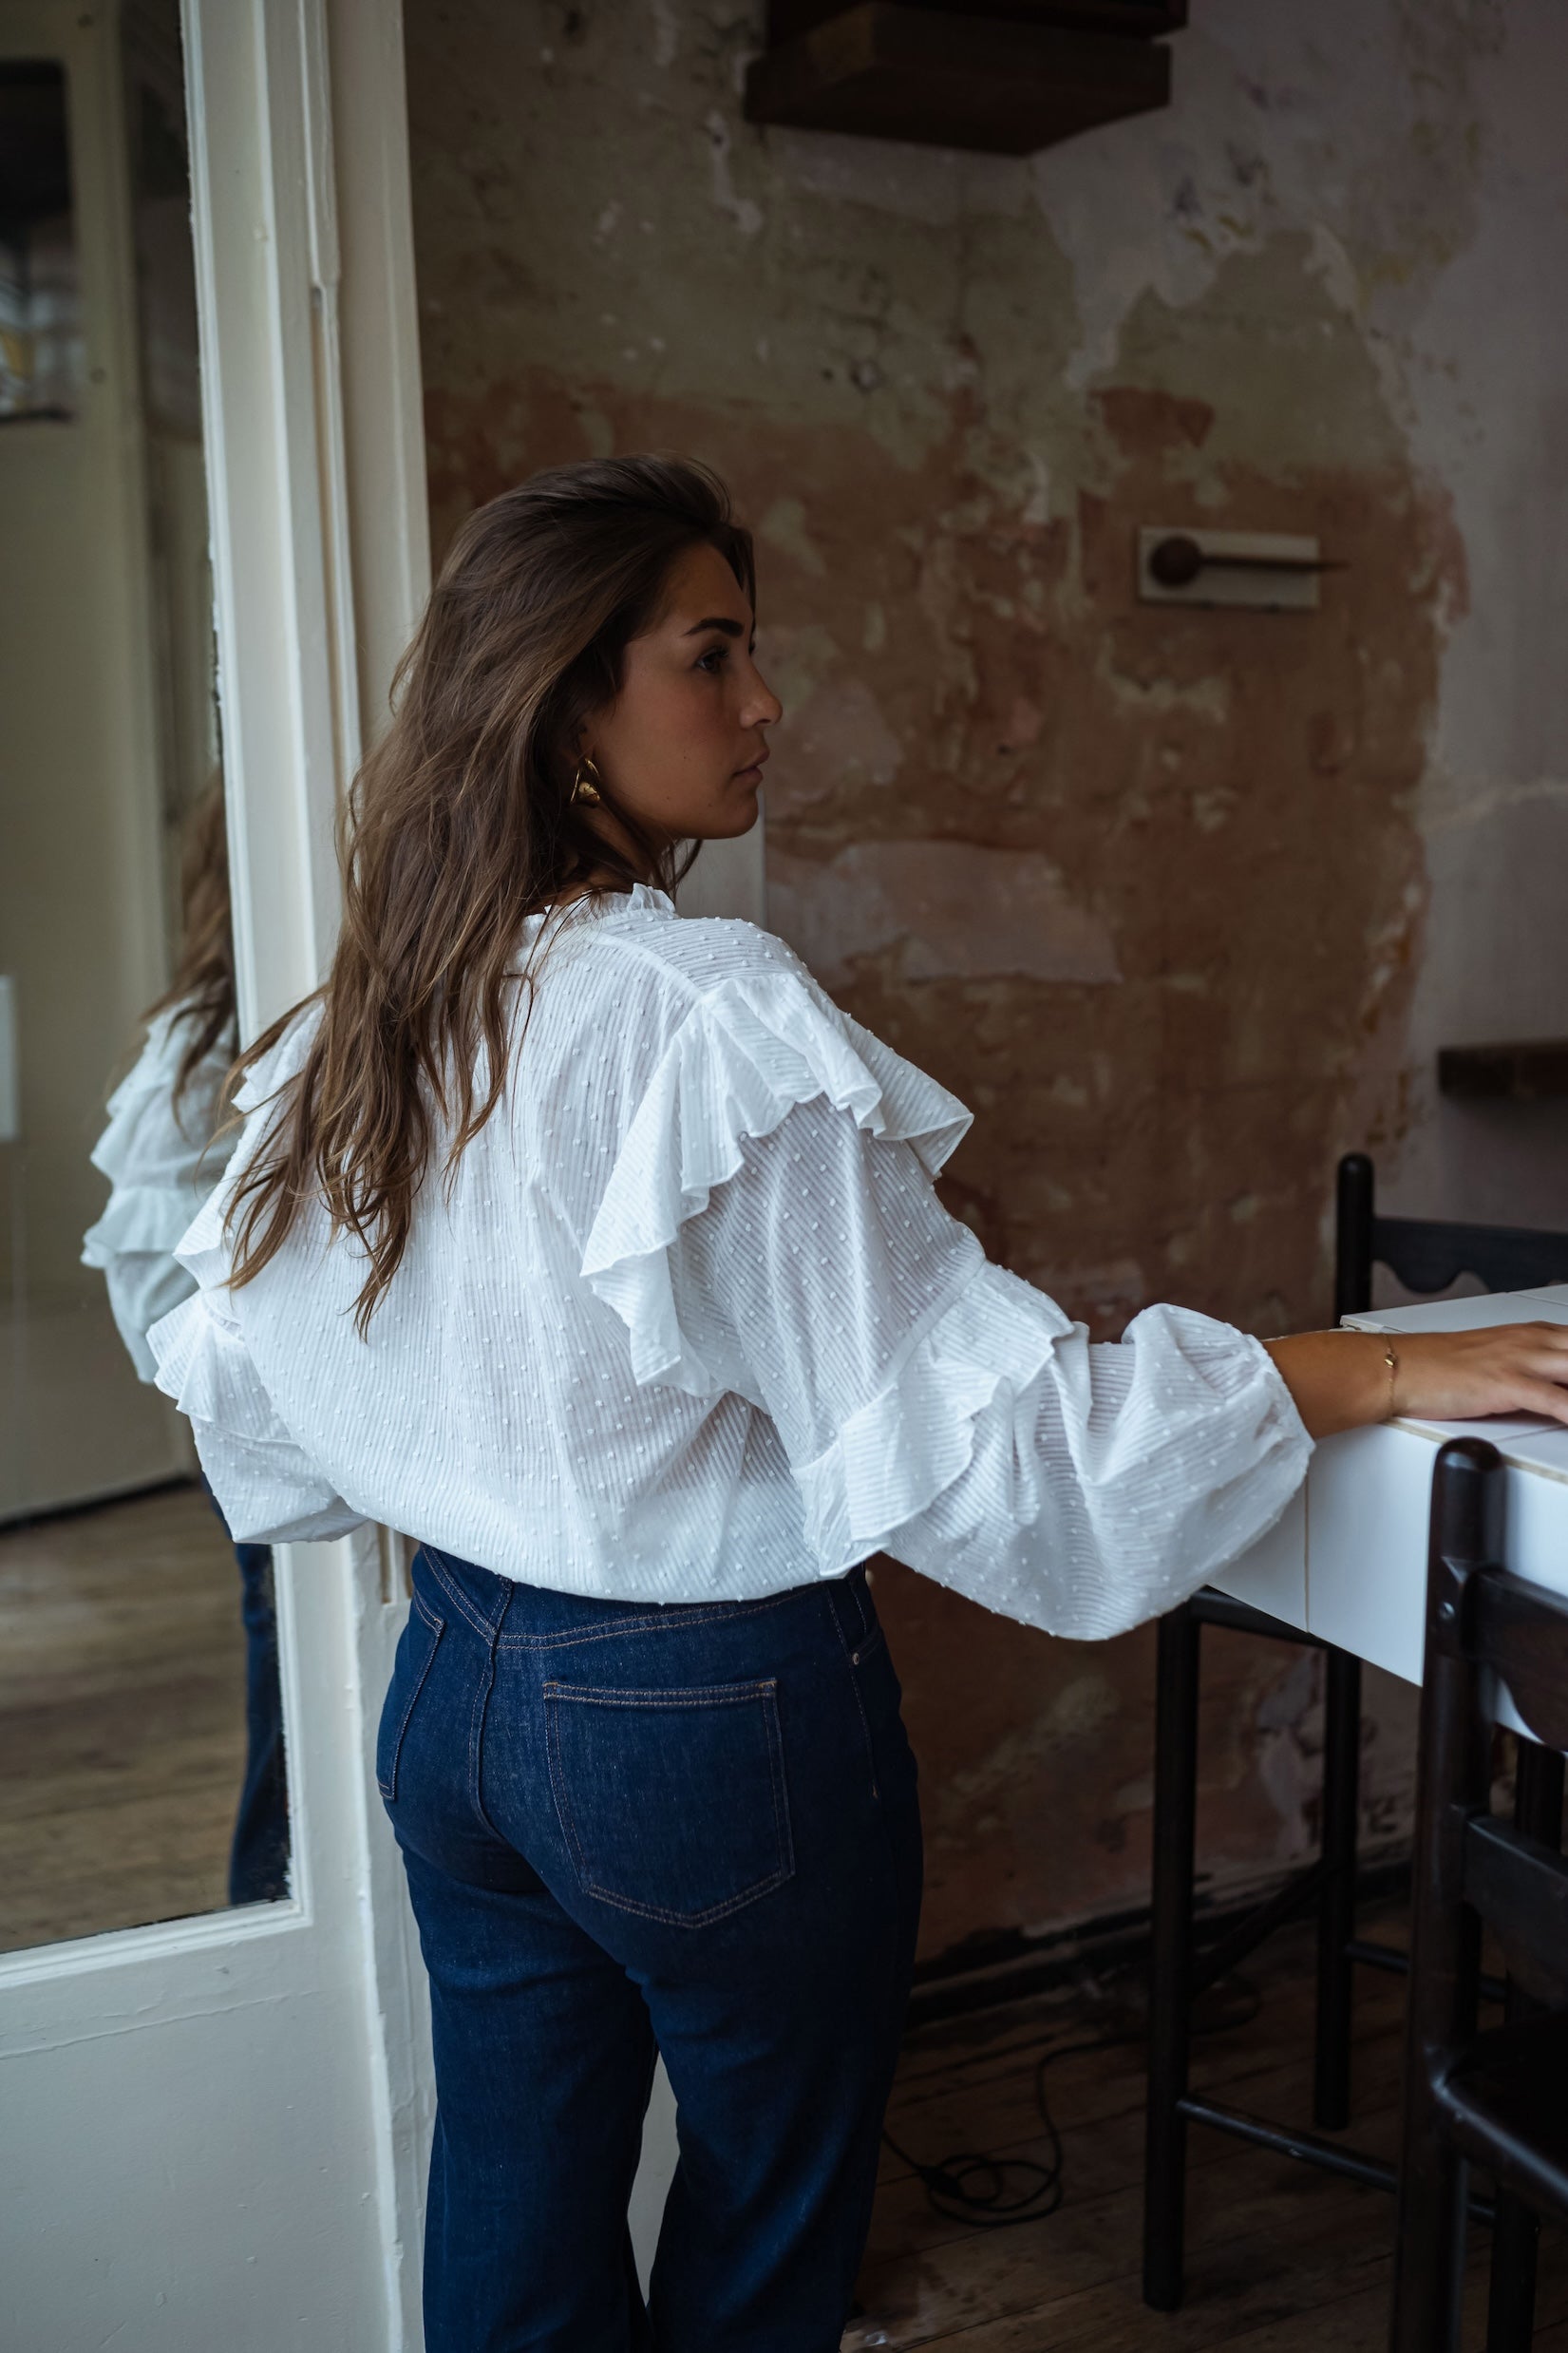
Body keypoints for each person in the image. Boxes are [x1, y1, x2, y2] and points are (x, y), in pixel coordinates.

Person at [144, 457, 1568, 2353]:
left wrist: (493, 1458)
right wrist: (1380, 1360)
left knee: (511, 2182)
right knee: (770, 2215)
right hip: (699, 1716)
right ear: (569, 697)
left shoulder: (372, 1010)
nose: (763, 705)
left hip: (455, 1683)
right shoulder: (696, 1009)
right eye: (711, 654)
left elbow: (246, 1367)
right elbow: (1009, 1453)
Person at [82, 782, 290, 1908]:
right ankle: (267, 1895)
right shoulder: (201, 1042)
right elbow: (152, 1276)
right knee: (289, 1672)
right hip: (263, 1424)